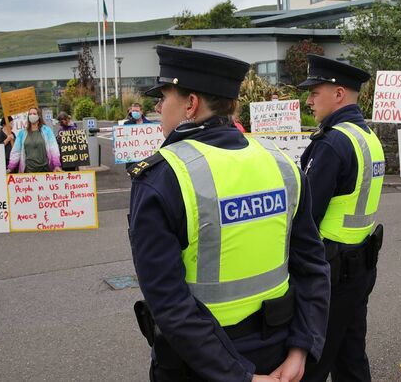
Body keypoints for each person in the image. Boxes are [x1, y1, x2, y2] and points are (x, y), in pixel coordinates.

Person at [127, 45, 330, 382]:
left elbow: (170, 303)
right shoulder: (281, 163)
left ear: (190, 104)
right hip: (280, 355)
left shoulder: (163, 177)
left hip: (201, 365)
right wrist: (301, 349)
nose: (159, 109)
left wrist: (241, 377)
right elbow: (312, 264)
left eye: (164, 99)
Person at [298, 54, 385, 382]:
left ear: (338, 94)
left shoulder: (333, 142)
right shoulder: (368, 137)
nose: (309, 100)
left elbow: (305, 213)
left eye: (314, 92)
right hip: (360, 266)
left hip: (330, 273)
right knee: (350, 357)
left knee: (312, 364)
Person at [7, 107, 62, 173]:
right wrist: (10, 167)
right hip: (28, 171)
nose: (32, 115)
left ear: (39, 116)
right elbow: (16, 152)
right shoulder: (22, 133)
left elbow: (54, 148)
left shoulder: (47, 131)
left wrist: (56, 165)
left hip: (45, 170)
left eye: (34, 113)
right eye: (30, 114)